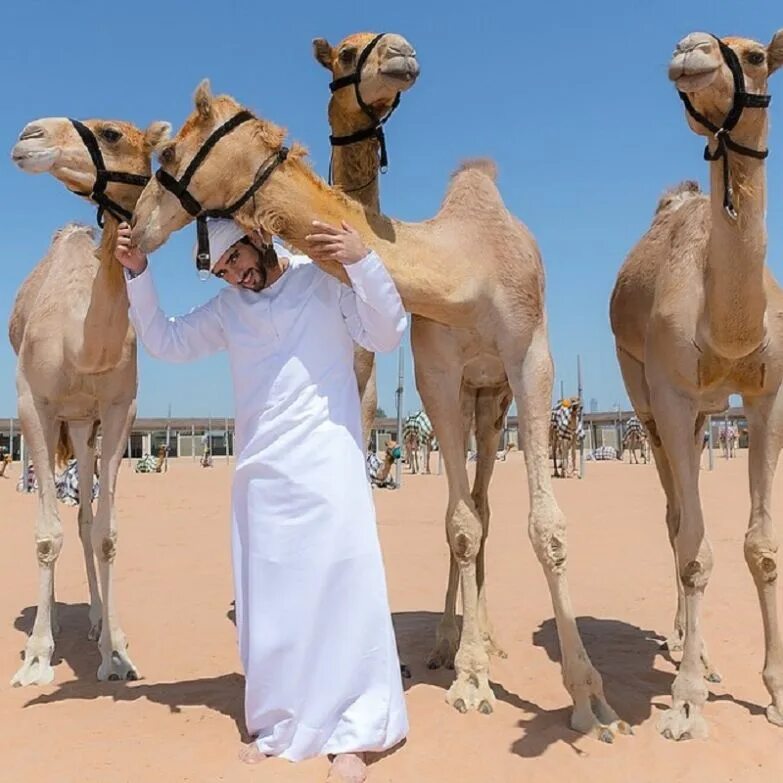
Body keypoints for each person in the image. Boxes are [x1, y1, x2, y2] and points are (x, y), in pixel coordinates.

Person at [115, 217, 408, 782]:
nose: (235, 275)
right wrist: (139, 275)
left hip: (328, 466)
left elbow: (388, 330)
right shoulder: (230, 310)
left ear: (260, 237)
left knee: (345, 595)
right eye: (222, 270)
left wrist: (361, 259)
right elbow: (165, 341)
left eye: (236, 259)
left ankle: (355, 733)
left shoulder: (323, 280)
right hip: (261, 477)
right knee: (271, 608)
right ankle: (279, 723)